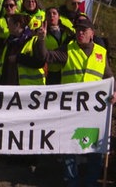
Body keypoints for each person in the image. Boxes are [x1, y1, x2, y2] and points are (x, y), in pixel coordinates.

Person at [35, 17, 115, 187]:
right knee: (69, 146)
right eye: (78, 30)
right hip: (71, 110)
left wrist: (114, 91)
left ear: (91, 34)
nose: (80, 33)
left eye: (84, 31)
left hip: (94, 111)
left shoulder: (101, 52)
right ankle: (72, 180)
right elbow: (45, 56)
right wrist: (41, 39)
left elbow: (109, 77)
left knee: (95, 148)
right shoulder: (67, 49)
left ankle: (91, 181)